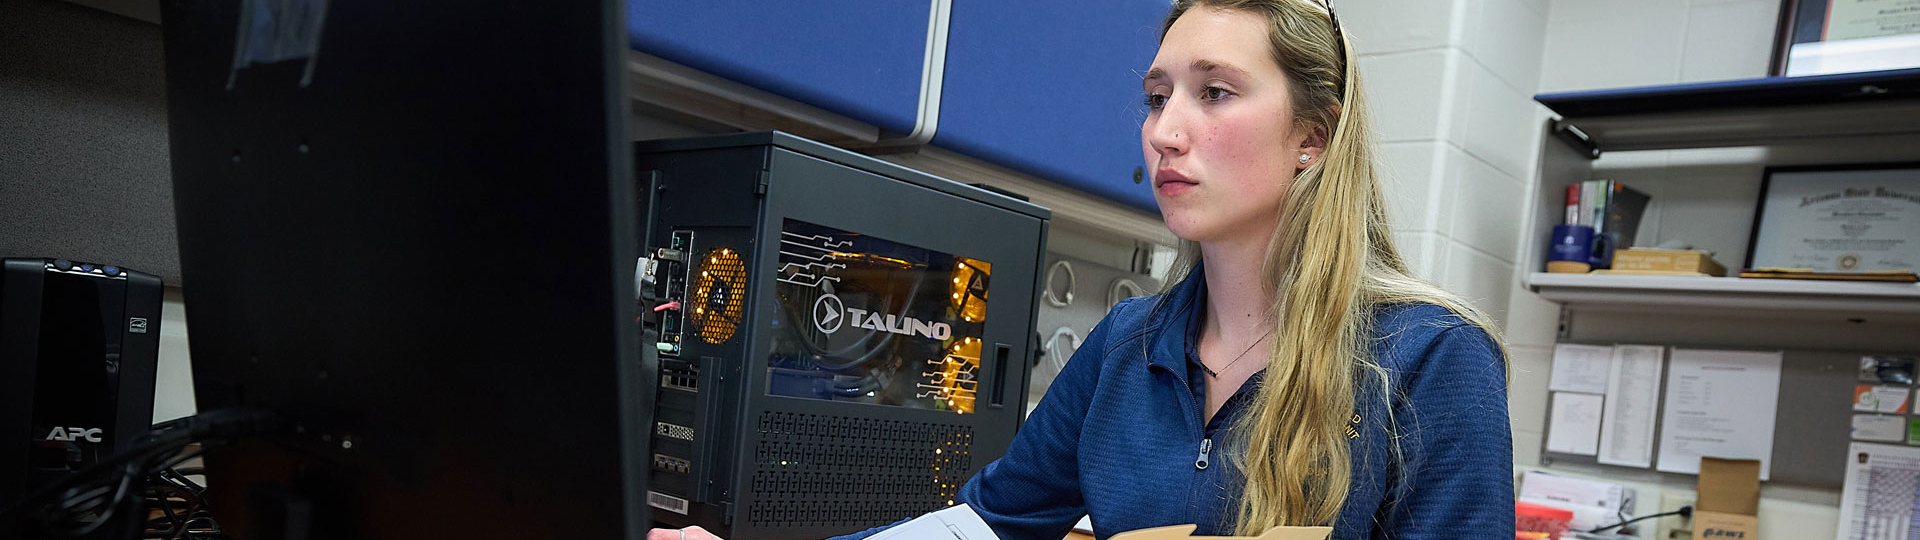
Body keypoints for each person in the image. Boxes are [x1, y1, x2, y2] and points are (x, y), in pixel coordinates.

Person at [650, 0, 1512, 538]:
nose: (1165, 130)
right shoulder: (1130, 344)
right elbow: (991, 522)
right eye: (1156, 95)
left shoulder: (1427, 358)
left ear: (1313, 137)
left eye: (1214, 92)